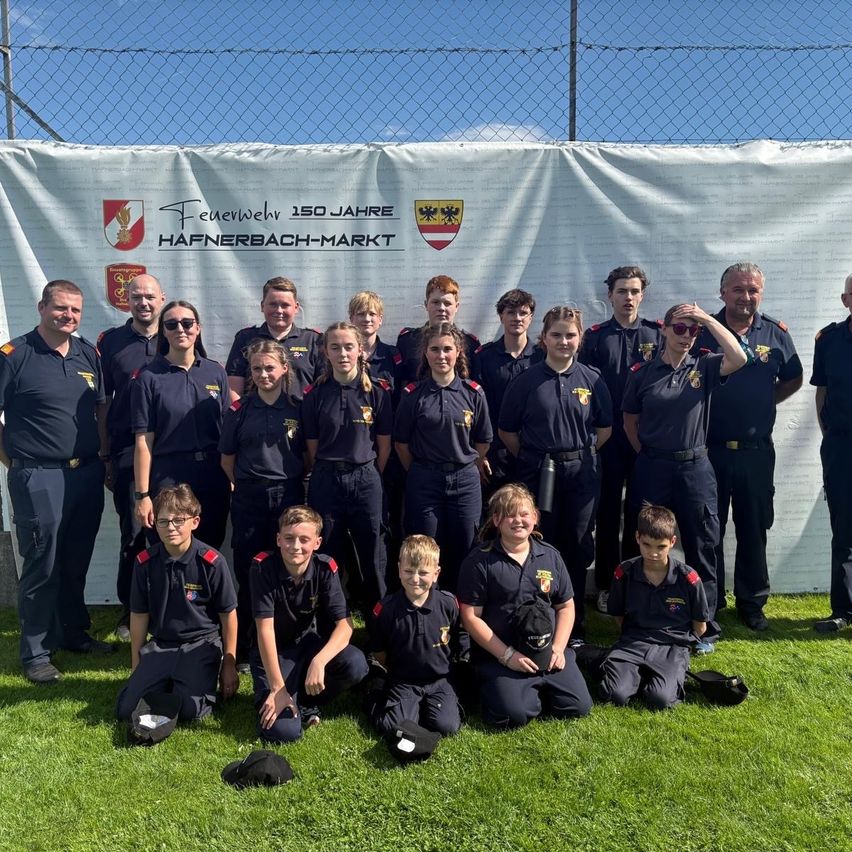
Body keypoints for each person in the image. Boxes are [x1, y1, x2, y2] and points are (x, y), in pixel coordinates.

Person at [0, 279, 113, 683]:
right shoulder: (14, 355)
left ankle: (73, 633)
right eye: (60, 308)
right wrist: (15, 462)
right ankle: (35, 652)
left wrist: (103, 458)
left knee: (75, 559)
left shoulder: (87, 353)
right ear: (41, 307)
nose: (68, 316)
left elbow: (101, 409)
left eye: (75, 310)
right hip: (38, 475)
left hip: (86, 472)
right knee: (42, 563)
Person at [622, 303, 748, 652]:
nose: (686, 336)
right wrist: (651, 453)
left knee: (702, 545)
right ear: (664, 329)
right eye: (679, 328)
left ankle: (703, 626)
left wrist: (706, 318)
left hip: (695, 468)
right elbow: (630, 421)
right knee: (642, 541)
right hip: (653, 467)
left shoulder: (704, 365)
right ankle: (639, 618)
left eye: (693, 330)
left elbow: (739, 358)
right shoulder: (643, 372)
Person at [696, 262, 802, 631]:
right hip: (709, 450)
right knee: (708, 530)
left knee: (754, 529)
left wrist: (763, 403)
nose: (746, 297)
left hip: (756, 452)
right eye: (738, 289)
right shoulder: (703, 331)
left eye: (752, 290)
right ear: (722, 292)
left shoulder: (775, 333)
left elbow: (793, 378)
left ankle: (752, 603)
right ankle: (709, 604)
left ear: (761, 293)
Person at [498, 306, 612, 643]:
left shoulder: (592, 379)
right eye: (556, 334)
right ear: (544, 338)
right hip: (538, 472)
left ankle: (574, 626)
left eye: (570, 335)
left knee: (577, 544)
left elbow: (604, 429)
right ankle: (537, 618)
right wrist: (536, 457)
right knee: (540, 542)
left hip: (581, 475)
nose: (564, 341)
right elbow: (507, 431)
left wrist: (575, 455)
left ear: (580, 338)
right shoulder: (526, 381)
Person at [458, 484, 593, 728]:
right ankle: (506, 688)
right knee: (513, 715)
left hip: (547, 651)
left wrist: (558, 648)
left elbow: (566, 606)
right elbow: (470, 617)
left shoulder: (551, 556)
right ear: (496, 520)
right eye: (510, 515)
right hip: (501, 655)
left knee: (578, 707)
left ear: (535, 518)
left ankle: (535, 687)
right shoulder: (479, 561)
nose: (518, 520)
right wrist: (507, 656)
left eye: (524, 514)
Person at [116, 485, 238, 722]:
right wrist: (136, 664)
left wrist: (229, 664)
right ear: (155, 524)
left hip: (200, 644)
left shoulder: (212, 562)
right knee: (127, 710)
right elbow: (139, 614)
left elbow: (228, 614)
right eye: (163, 521)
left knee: (190, 712)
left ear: (195, 522)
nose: (171, 527)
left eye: (178, 520)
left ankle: (183, 682)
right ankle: (164, 680)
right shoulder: (144, 563)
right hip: (162, 645)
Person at [579, 266, 662, 613]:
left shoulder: (657, 334)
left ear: (642, 295)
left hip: (645, 440)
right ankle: (606, 584)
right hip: (609, 439)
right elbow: (583, 388)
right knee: (608, 513)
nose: (628, 297)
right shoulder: (595, 338)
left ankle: (636, 581)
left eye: (634, 291)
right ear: (609, 295)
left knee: (641, 513)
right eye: (622, 291)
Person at [219, 340, 306, 666]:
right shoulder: (239, 411)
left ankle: (285, 642)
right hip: (250, 498)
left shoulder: (298, 408)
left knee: (288, 568)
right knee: (249, 570)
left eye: (270, 367)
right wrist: (248, 484)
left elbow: (307, 456)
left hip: (289, 496)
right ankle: (245, 647)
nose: (263, 374)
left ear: (284, 368)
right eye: (257, 369)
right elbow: (227, 460)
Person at [250, 505, 369, 743]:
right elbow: (265, 630)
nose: (296, 546)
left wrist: (319, 661)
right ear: (278, 539)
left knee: (356, 663)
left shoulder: (325, 568)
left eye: (304, 539)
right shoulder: (263, 568)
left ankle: (306, 701)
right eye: (289, 538)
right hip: (274, 653)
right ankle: (287, 696)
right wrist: (277, 688)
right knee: (284, 732)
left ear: (317, 542)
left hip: (307, 646)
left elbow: (345, 625)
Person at [394, 322, 493, 592]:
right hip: (425, 480)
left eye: (447, 349)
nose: (441, 355)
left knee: (466, 544)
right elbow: (401, 444)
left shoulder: (473, 393)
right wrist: (420, 471)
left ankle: (461, 606)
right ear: (425, 353)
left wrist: (468, 463)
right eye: (435, 349)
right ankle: (430, 605)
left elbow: (483, 440)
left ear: (458, 352)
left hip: (465, 480)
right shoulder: (413, 395)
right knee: (425, 545)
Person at [302, 322, 393, 611]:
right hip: (326, 478)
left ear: (360, 350)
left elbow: (384, 445)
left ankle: (378, 622)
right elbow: (312, 447)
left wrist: (368, 473)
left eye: (348, 347)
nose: (342, 353)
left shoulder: (377, 391)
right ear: (325, 352)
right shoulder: (314, 395)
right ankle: (333, 619)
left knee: (373, 551)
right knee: (328, 551)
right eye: (335, 347)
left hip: (366, 477)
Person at [98, 273, 167, 640]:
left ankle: (170, 610)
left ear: (162, 298)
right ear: (127, 300)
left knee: (171, 532)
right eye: (136, 296)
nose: (143, 303)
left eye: (150, 296)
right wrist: (106, 454)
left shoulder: (177, 332)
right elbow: (103, 403)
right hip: (127, 450)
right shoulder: (111, 342)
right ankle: (131, 612)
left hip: (170, 452)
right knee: (135, 535)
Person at [131, 300, 232, 549]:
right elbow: (144, 441)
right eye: (171, 324)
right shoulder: (148, 377)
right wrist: (142, 495)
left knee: (210, 548)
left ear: (198, 328)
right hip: (168, 476)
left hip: (212, 475)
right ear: (163, 331)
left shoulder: (215, 372)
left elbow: (227, 431)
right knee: (169, 551)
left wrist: (231, 476)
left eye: (187, 323)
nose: (180, 329)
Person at [600, 505, 710, 710]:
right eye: (646, 545)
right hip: (633, 642)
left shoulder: (688, 578)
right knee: (615, 695)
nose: (653, 553)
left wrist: (678, 645)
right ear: (637, 538)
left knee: (660, 699)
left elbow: (700, 626)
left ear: (672, 542)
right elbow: (618, 615)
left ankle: (663, 674)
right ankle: (632, 671)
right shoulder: (624, 572)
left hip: (672, 646)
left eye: (661, 546)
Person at [368, 535, 462, 737]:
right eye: (408, 571)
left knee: (448, 726)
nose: (415, 579)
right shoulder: (386, 609)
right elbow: (379, 651)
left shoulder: (448, 604)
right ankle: (377, 692)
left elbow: (456, 636)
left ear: (436, 573)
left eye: (423, 572)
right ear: (399, 569)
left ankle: (426, 707)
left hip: (439, 680)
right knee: (394, 729)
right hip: (403, 680)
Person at [811, 272, 852, 632]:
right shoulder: (828, 340)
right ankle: (843, 610)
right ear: (845, 300)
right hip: (841, 446)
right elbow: (821, 391)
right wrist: (829, 436)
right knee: (844, 529)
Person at [472, 288, 542, 492]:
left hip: (535, 451)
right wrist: (480, 453)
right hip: (495, 454)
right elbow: (476, 410)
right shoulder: (484, 357)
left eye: (523, 313)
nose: (517, 318)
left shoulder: (542, 357)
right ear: (501, 316)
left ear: (531, 317)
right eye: (511, 312)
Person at [225, 276, 321, 399]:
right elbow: (233, 389)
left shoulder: (313, 341)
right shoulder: (245, 339)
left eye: (285, 305)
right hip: (256, 411)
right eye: (273, 304)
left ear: (296, 308)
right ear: (262, 306)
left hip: (303, 411)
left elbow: (323, 388)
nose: (279, 310)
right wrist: (241, 411)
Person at [395, 274, 479, 384]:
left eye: (447, 303)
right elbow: (399, 384)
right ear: (426, 305)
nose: (441, 308)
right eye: (435, 302)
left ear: (456, 307)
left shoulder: (471, 344)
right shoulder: (407, 341)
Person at [348, 290, 403, 392]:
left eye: (372, 314)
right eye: (361, 314)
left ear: (380, 319)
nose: (367, 319)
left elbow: (399, 393)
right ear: (351, 319)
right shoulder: (343, 355)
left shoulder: (392, 355)